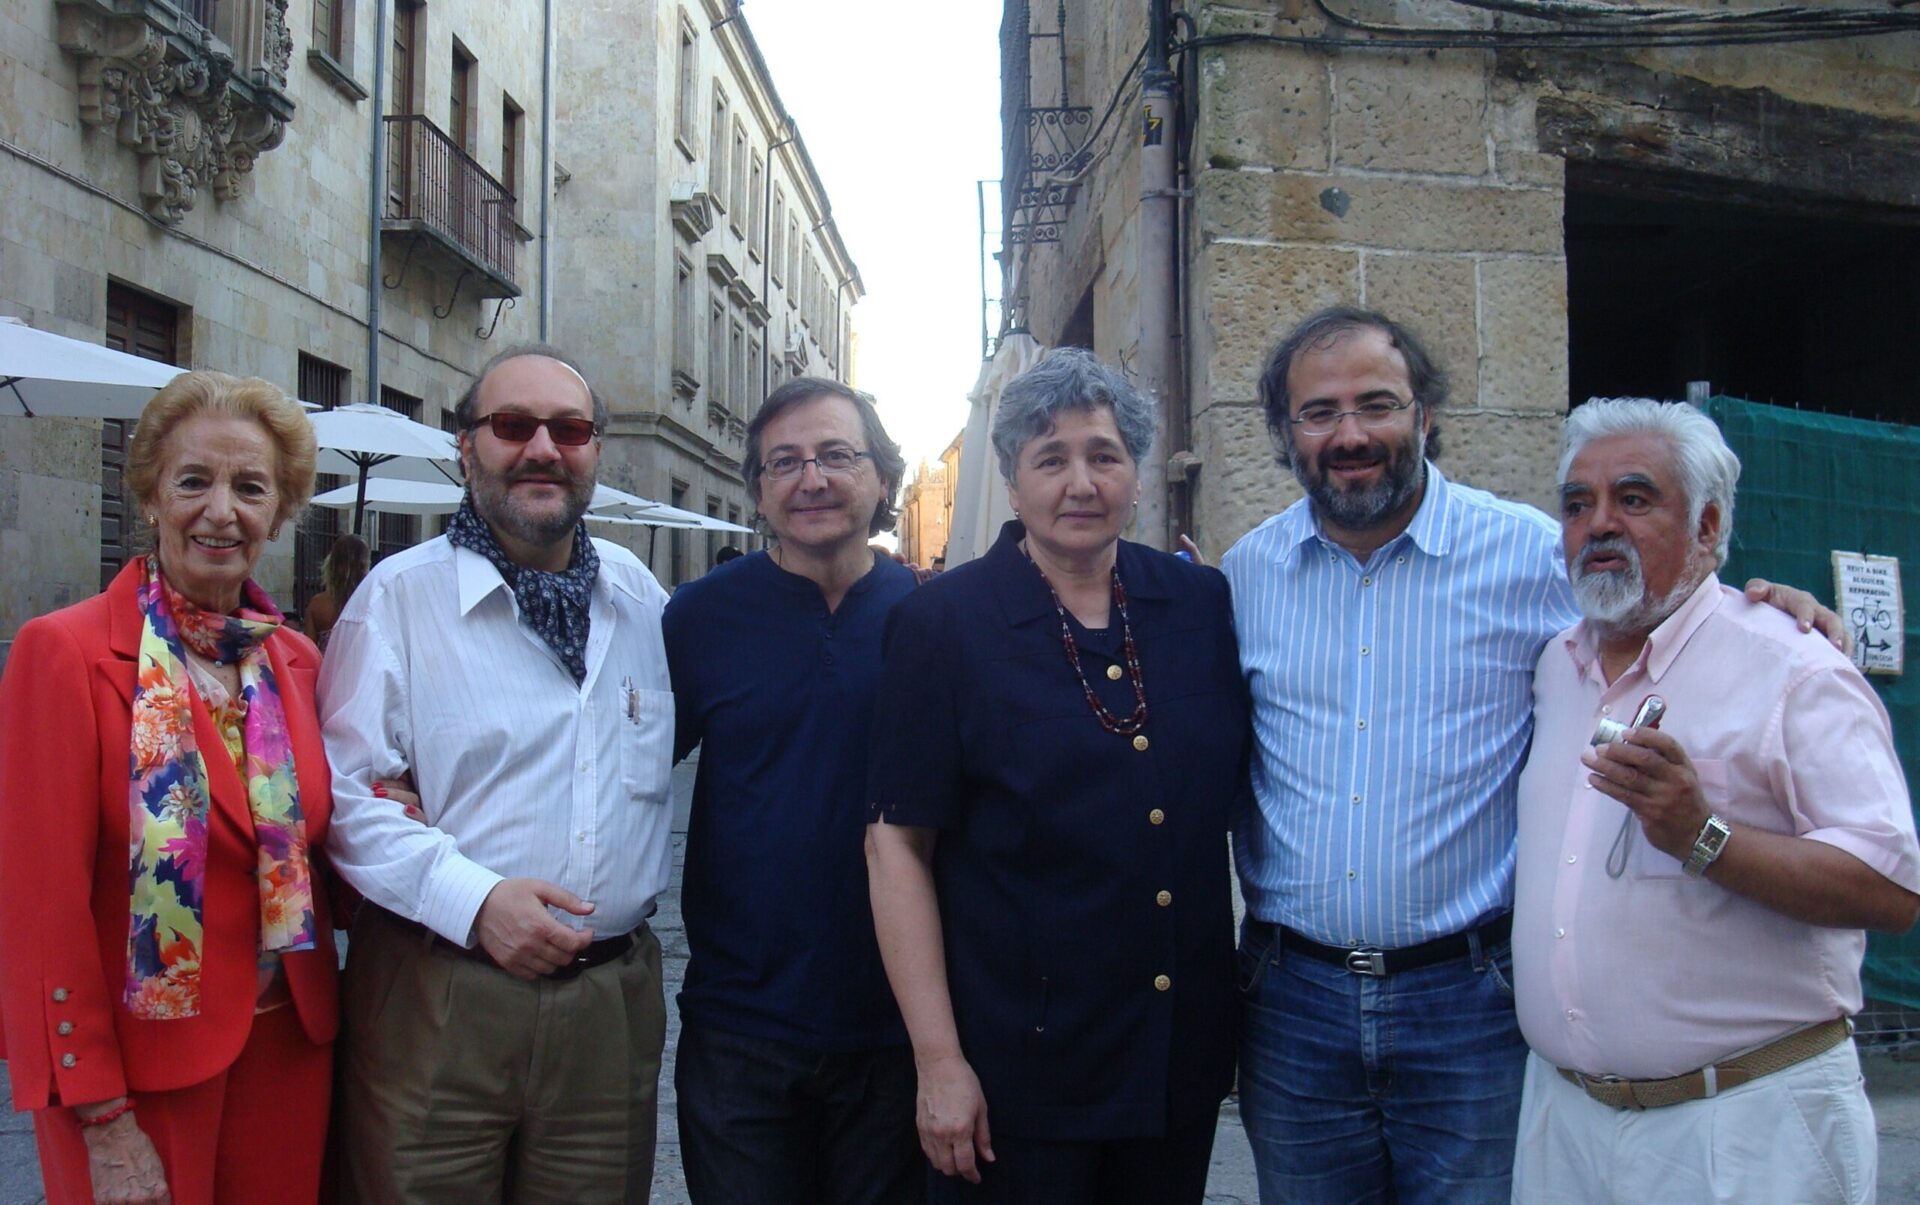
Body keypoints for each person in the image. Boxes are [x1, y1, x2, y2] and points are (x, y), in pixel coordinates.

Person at [1220, 306, 1844, 1203]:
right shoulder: (1246, 576)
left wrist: (1769, 601)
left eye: (1377, 404)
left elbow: (1662, 606)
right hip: (1292, 1002)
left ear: (1424, 416)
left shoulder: (1530, 555)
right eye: (1319, 412)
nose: (1350, 434)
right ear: (1287, 433)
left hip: (1471, 1001)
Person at [1511, 398, 1920, 1202]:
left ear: (1706, 528)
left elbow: (1894, 888)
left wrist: (1703, 834)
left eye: (1633, 499)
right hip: (1566, 1121)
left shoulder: (1793, 666)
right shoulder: (1557, 666)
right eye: (1577, 503)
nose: (1599, 524)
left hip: (1745, 1127)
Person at [866, 348, 1248, 1203]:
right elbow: (896, 848)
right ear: (1011, 478)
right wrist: (939, 1063)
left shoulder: (1197, 606)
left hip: (1171, 1063)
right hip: (1017, 1073)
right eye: (1052, 458)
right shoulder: (943, 625)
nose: (1081, 481)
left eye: (1105, 456)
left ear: (1136, 476)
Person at [318, 344, 674, 1201]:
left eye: (571, 428)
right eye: (513, 425)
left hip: (607, 1010)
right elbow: (338, 798)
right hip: (438, 993)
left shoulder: (641, 601)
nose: (543, 448)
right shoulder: (396, 599)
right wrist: (475, 900)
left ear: (595, 449)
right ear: (465, 446)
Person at [0, 371, 337, 1203]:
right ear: (151, 496)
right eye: (195, 481)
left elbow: (321, 842)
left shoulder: (295, 662)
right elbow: (40, 907)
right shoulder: (66, 653)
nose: (221, 510)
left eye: (250, 487)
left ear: (280, 512)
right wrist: (100, 1111)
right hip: (137, 1076)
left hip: (287, 1048)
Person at [663, 376, 922, 1203]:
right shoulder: (699, 619)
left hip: (898, 1027)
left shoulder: (936, 618)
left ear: (883, 479)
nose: (812, 479)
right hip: (742, 1027)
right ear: (761, 492)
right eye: (785, 462)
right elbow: (613, 767)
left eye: (837, 456)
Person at [303, 531, 369, 649]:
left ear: (331, 562)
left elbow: (308, 651)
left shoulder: (317, 604)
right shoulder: (372, 602)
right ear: (364, 565)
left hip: (329, 666)